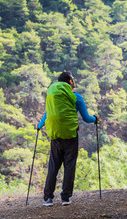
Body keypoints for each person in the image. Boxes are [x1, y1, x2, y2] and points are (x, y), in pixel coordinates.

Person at [37, 71, 100, 207]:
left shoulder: (53, 97)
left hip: (56, 136)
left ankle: (48, 198)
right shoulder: (76, 97)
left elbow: (47, 114)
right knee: (69, 166)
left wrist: (39, 125)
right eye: (73, 79)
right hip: (70, 136)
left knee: (53, 167)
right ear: (70, 82)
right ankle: (65, 198)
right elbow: (87, 118)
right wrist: (96, 119)